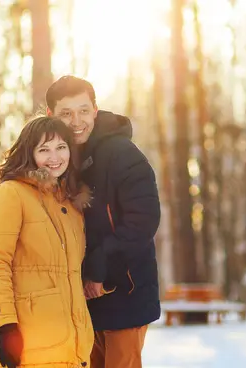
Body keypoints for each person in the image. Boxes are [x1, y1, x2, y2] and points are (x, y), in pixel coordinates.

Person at [46, 76, 161, 368]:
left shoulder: (123, 155)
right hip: (84, 299)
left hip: (125, 291)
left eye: (84, 110)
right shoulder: (60, 161)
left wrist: (98, 269)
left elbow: (142, 223)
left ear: (95, 110)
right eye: (66, 113)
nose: (76, 121)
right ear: (51, 116)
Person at [0, 115, 94, 368]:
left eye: (61, 147)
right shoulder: (11, 193)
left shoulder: (70, 205)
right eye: (44, 149)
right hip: (30, 346)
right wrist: (5, 325)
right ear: (29, 153)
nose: (54, 157)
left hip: (75, 348)